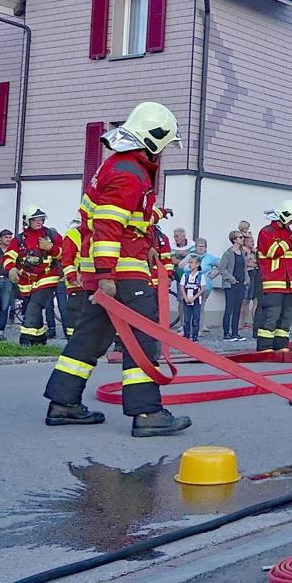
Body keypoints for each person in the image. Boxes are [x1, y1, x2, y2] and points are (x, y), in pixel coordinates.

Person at [43, 101, 191, 437]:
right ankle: (147, 413)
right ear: (152, 139)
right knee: (143, 338)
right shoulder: (129, 172)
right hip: (123, 274)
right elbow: (109, 225)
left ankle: (63, 403)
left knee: (89, 338)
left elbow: (121, 222)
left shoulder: (122, 166)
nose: (164, 153)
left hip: (112, 270)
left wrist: (147, 242)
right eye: (164, 146)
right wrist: (108, 273)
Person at [2, 204, 64, 346]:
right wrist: (11, 269)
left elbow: (67, 254)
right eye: (35, 219)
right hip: (26, 280)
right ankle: (39, 338)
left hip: (48, 277)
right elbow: (8, 256)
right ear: (27, 221)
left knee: (34, 305)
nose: (39, 222)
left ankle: (26, 339)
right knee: (31, 305)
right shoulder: (19, 239)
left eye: (41, 219)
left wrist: (51, 248)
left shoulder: (52, 236)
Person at [255, 200, 292, 351]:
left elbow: (288, 253)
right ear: (284, 216)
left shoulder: (288, 232)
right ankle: (264, 347)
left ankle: (281, 346)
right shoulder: (266, 232)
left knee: (286, 318)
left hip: (290, 284)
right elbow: (272, 252)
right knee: (271, 316)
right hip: (273, 283)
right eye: (291, 220)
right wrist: (290, 241)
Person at [217, 230, 249, 341]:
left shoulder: (243, 253)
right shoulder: (228, 253)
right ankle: (226, 333)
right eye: (240, 237)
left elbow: (244, 269)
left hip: (241, 284)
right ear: (234, 240)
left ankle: (235, 332)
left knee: (237, 309)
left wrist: (246, 279)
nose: (242, 239)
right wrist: (231, 279)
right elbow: (222, 268)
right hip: (231, 285)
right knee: (229, 309)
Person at [59, 219, 86, 339]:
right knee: (75, 314)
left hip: (95, 284)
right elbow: (67, 260)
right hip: (77, 284)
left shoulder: (99, 234)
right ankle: (73, 342)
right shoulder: (73, 236)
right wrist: (72, 278)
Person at [180, 255, 205, 341]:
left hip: (196, 301)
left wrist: (194, 298)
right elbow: (182, 286)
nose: (190, 264)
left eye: (192, 262)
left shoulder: (201, 276)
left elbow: (202, 289)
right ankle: (186, 335)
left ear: (198, 264)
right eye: (189, 262)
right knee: (186, 319)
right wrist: (185, 297)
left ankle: (195, 336)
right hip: (186, 300)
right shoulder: (185, 275)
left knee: (195, 319)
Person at [241, 233, 258, 330]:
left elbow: (259, 262)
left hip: (256, 275)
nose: (253, 243)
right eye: (251, 241)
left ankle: (255, 322)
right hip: (248, 275)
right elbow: (246, 263)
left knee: (256, 300)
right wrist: (253, 264)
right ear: (246, 242)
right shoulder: (243, 251)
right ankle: (243, 322)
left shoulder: (255, 251)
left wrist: (254, 263)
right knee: (245, 300)